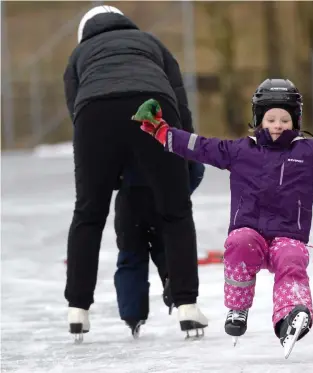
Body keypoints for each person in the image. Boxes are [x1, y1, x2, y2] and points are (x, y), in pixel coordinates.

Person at [131, 78, 313, 358]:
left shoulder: (309, 153)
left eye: (285, 119)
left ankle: (291, 315)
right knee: (238, 242)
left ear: (295, 121)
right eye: (271, 118)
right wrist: (163, 132)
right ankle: (238, 308)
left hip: (288, 236)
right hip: (251, 233)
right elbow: (201, 146)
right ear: (259, 120)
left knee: (292, 260)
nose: (278, 124)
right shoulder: (240, 151)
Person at [63, 5, 207, 342]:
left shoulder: (79, 53)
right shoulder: (150, 42)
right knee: (175, 211)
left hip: (94, 113)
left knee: (88, 214)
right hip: (153, 104)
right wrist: (183, 151)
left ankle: (77, 309)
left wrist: (103, 167)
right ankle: (187, 305)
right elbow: (179, 97)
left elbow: (75, 106)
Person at [113, 160, 205, 338]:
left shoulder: (119, 131)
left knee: (130, 255)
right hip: (166, 194)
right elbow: (197, 166)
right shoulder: (171, 131)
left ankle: (132, 314)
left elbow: (108, 167)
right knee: (168, 249)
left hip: (129, 199)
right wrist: (183, 191)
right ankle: (180, 296)